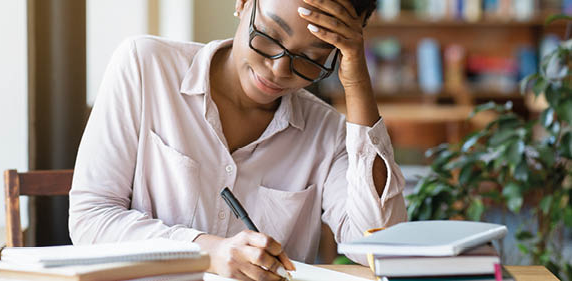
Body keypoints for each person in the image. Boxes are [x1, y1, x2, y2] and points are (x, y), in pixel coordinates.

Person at [69, 0, 407, 280]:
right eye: (269, 36)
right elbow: (90, 219)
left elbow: (379, 245)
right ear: (243, 3)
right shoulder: (145, 67)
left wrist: (357, 82)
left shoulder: (327, 132)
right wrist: (208, 251)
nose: (278, 69)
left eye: (312, 59)